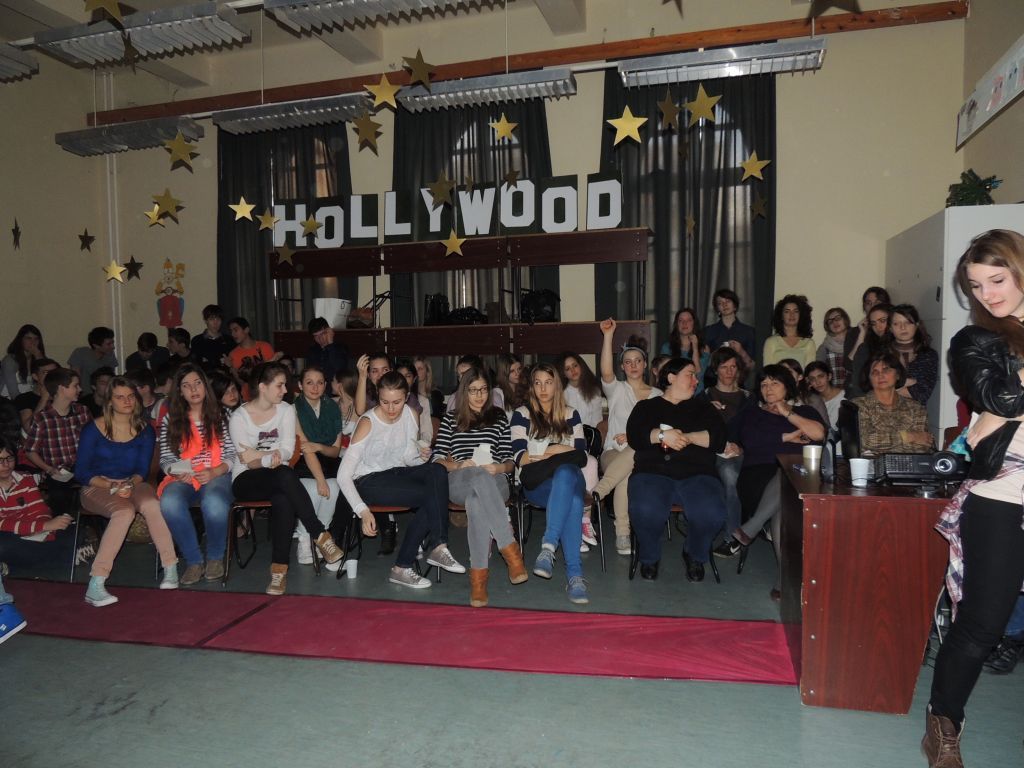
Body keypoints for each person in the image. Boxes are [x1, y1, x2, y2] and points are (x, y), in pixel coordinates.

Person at [922, 229, 1024, 767]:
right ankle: (943, 722)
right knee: (982, 623)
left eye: (997, 280)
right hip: (1002, 495)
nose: (988, 294)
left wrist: (995, 418)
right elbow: (997, 396)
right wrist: (995, 414)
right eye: (977, 285)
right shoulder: (976, 341)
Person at [338, 370, 464, 589]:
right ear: (378, 397)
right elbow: (343, 475)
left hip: (395, 473)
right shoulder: (368, 422)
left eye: (396, 402)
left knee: (437, 470)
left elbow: (407, 458)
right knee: (432, 496)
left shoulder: (411, 414)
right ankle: (406, 565)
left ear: (406, 397)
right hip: (367, 481)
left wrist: (420, 456)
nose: (390, 408)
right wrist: (363, 511)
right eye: (384, 402)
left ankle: (437, 547)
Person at [229, 363, 344, 595]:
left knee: (283, 498)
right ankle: (319, 533)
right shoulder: (239, 417)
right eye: (280, 385)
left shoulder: (286, 410)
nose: (285, 390)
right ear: (263, 387)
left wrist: (259, 454)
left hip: (279, 476)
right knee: (285, 474)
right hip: (247, 480)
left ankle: (278, 572)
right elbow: (248, 462)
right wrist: (267, 457)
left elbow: (289, 451)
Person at [714, 365, 826, 601]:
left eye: (775, 383)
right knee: (785, 484)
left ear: (788, 386)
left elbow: (818, 434)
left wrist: (788, 413)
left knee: (787, 480)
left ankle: (752, 528)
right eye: (764, 384)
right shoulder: (752, 413)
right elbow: (751, 442)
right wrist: (788, 437)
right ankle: (783, 578)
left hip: (801, 478)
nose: (768, 388)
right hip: (758, 477)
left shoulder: (804, 411)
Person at [75, 376, 179, 606]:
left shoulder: (145, 430)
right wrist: (112, 486)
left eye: (131, 396)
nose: (127, 401)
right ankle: (96, 583)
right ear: (109, 401)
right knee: (124, 513)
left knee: (152, 504)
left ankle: (170, 567)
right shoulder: (93, 429)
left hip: (132, 483)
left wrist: (129, 484)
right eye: (120, 397)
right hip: (97, 485)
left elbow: (142, 469)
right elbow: (81, 472)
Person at [432, 366, 527, 607]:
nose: (479, 395)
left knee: (477, 501)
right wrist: (458, 465)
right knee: (476, 476)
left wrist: (498, 467)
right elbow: (437, 459)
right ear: (464, 392)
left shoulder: (498, 417)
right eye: (473, 390)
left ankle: (478, 581)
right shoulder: (451, 419)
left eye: (484, 389)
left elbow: (510, 461)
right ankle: (510, 550)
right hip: (460, 480)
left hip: (495, 480)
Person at [627, 357, 727, 581]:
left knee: (712, 512)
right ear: (671, 377)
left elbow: (719, 439)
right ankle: (649, 556)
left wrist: (687, 438)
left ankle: (694, 553)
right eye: (690, 374)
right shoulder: (646, 407)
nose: (696, 380)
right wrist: (662, 435)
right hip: (652, 472)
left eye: (696, 376)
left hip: (698, 473)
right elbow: (635, 435)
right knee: (645, 509)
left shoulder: (704, 408)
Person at [511, 362, 590, 604]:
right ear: (532, 387)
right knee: (573, 502)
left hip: (571, 478)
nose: (543, 389)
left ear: (557, 386)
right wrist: (557, 450)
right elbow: (520, 456)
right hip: (538, 485)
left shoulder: (571, 413)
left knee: (566, 472)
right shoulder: (522, 414)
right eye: (538, 383)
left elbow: (581, 453)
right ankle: (575, 576)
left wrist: (545, 452)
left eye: (548, 383)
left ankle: (548, 546)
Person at [157, 364, 236, 585]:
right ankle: (193, 561)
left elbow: (233, 454)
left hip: (219, 473)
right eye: (186, 385)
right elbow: (166, 458)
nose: (193, 389)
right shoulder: (171, 419)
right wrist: (176, 471)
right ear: (180, 391)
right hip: (185, 476)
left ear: (205, 386)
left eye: (197, 383)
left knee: (213, 501)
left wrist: (215, 471)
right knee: (169, 502)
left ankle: (215, 557)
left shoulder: (224, 415)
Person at [594, 319, 661, 556]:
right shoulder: (617, 390)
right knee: (626, 473)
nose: (633, 365)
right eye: (628, 362)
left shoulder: (657, 396)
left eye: (637, 361)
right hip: (613, 452)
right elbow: (605, 372)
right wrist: (608, 335)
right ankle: (623, 532)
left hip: (645, 456)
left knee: (635, 454)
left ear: (645, 364)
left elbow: (659, 432)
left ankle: (599, 491)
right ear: (622, 366)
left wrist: (633, 438)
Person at [292, 365, 345, 567]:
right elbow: (306, 448)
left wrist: (320, 446)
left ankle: (321, 538)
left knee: (335, 488)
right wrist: (320, 480)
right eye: (309, 382)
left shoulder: (333, 408)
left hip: (328, 461)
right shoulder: (293, 409)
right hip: (302, 462)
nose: (315, 387)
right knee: (314, 490)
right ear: (300, 385)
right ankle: (305, 538)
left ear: (325, 385)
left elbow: (335, 451)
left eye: (320, 382)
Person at [0, 435, 75, 571]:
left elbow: (40, 510)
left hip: (29, 532)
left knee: (69, 530)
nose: (6, 465)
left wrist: (45, 531)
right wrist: (43, 526)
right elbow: (2, 523)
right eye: (0, 460)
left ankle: (14, 564)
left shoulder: (25, 479)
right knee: (4, 545)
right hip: (8, 535)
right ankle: (62, 557)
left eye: (9, 458)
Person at [23, 368, 92, 517]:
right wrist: (48, 469)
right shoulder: (42, 418)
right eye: (75, 386)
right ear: (61, 388)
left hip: (84, 467)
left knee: (102, 485)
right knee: (59, 493)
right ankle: (64, 524)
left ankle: (98, 524)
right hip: (57, 471)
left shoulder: (82, 411)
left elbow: (94, 441)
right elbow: (30, 451)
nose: (80, 389)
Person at [703, 347, 751, 542]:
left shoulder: (748, 398)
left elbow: (755, 431)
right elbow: (692, 427)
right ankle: (730, 535)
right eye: (724, 367)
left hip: (740, 452)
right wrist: (706, 410)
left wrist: (741, 448)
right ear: (716, 370)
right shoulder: (705, 397)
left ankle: (733, 536)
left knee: (732, 474)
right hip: (711, 452)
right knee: (726, 474)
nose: (729, 371)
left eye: (733, 367)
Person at [851, 353, 933, 454]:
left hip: (910, 463)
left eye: (886, 370)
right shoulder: (858, 405)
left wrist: (883, 444)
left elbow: (923, 445)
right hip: (872, 463)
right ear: (869, 379)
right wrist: (909, 436)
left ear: (898, 375)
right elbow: (865, 440)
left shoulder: (916, 408)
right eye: (875, 372)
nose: (880, 375)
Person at [889, 303, 939, 406]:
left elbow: (922, 393)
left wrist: (893, 385)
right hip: (881, 413)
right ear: (890, 328)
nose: (903, 327)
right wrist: (909, 381)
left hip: (915, 414)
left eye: (908, 322)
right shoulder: (881, 354)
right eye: (896, 324)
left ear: (916, 325)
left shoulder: (928, 355)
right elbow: (873, 388)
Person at [704, 289, 756, 375]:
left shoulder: (749, 331)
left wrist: (741, 351)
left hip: (740, 379)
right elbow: (703, 365)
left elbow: (752, 366)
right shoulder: (708, 331)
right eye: (720, 303)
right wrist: (716, 354)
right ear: (717, 308)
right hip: (714, 379)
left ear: (735, 305)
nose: (724, 305)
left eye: (728, 301)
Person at [847, 302, 893, 397]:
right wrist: (862, 333)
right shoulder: (867, 347)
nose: (878, 327)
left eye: (882, 321)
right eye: (873, 323)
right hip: (868, 400)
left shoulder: (902, 345)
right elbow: (850, 365)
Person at [660, 308, 711, 392]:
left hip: (696, 394)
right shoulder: (667, 347)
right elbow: (664, 376)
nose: (684, 323)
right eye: (681, 320)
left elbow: (698, 374)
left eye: (689, 320)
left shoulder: (704, 348)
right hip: (675, 393)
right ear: (676, 324)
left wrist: (695, 347)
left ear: (694, 324)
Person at [227, 317, 278, 394]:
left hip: (268, 393)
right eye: (231, 331)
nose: (233, 334)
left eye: (235, 330)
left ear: (246, 330)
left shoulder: (265, 346)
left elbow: (273, 373)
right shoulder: (233, 354)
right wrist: (231, 367)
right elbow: (241, 383)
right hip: (248, 396)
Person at [762, 294, 816, 368]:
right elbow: (768, 371)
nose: (792, 315)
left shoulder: (809, 343)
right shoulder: (771, 342)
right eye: (787, 311)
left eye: (796, 311)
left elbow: (809, 372)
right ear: (781, 316)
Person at [846, 286, 892, 365]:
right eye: (868, 303)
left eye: (877, 303)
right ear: (864, 306)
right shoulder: (854, 332)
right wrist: (861, 335)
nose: (872, 306)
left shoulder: (895, 330)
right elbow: (849, 365)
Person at [557, 352, 604, 428]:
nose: (573, 370)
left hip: (591, 432)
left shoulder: (594, 390)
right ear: (564, 374)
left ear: (581, 366)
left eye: (575, 365)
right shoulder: (560, 394)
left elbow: (597, 420)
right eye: (567, 369)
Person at [68, 326, 117, 397]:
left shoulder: (110, 355)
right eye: (108, 344)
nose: (113, 347)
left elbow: (110, 377)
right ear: (96, 345)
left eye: (112, 343)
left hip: (103, 396)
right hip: (82, 395)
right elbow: (75, 377)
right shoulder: (81, 353)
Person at [396, 360, 434, 445]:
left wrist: (421, 447)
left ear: (414, 379)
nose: (403, 380)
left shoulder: (422, 401)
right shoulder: (388, 400)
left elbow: (426, 432)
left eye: (408, 376)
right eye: (400, 376)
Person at [2, 324, 45, 399]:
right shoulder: (10, 360)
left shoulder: (38, 358)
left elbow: (47, 382)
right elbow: (13, 393)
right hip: (8, 400)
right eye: (28, 338)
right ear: (20, 340)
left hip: (29, 399)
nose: (33, 342)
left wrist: (39, 357)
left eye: (36, 339)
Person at [15, 357, 57, 432]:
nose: (52, 375)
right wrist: (43, 399)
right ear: (35, 376)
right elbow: (28, 428)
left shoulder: (63, 396)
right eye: (46, 372)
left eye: (55, 372)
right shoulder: (24, 399)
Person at [305, 317, 350, 386]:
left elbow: (340, 368)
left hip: (336, 388)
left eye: (322, 334)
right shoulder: (312, 350)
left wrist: (330, 344)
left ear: (329, 332)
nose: (320, 338)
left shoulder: (340, 348)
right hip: (317, 387)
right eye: (316, 336)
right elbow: (309, 372)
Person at [816, 307, 852, 391]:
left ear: (845, 319)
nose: (834, 322)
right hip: (834, 393)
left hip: (857, 393)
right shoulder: (824, 348)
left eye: (838, 318)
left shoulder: (857, 341)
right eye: (830, 321)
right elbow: (819, 374)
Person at [804, 360, 846, 431]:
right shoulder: (813, 401)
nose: (818, 382)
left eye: (821, 376)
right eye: (812, 379)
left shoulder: (844, 398)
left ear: (829, 376)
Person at [191, 305, 235, 371]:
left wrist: (231, 365)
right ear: (205, 321)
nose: (215, 323)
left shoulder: (229, 340)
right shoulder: (197, 340)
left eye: (218, 319)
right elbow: (195, 365)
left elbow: (234, 364)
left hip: (225, 376)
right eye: (211, 319)